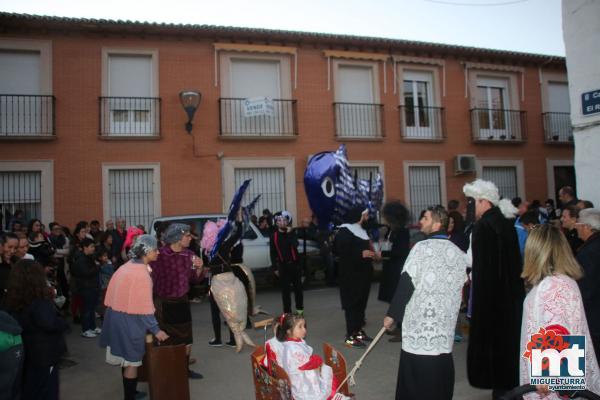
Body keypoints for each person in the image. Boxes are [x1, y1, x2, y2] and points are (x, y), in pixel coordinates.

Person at [383, 206, 469, 400]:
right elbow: (463, 288)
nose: (421, 221)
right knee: (440, 375)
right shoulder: (457, 253)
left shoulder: (421, 248)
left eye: (425, 218)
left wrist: (392, 315)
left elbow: (406, 283)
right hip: (444, 329)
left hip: (420, 328)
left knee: (416, 383)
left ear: (437, 223)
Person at [519, 224, 600, 398]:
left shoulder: (551, 287)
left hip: (552, 386)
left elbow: (558, 333)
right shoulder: (564, 281)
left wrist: (549, 378)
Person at [463, 179, 525, 399]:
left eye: (472, 202)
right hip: (511, 301)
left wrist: (480, 309)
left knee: (496, 359)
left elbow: (484, 273)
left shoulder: (484, 227)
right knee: (509, 354)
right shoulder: (505, 223)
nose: (470, 207)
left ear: (483, 201)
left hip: (492, 304)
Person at [99, 235, 169, 400]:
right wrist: (156, 330)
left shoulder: (127, 266)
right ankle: (130, 397)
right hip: (128, 321)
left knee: (125, 359)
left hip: (115, 316)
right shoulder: (142, 275)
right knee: (132, 362)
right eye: (155, 249)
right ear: (145, 252)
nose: (158, 252)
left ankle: (131, 392)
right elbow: (145, 308)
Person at [4, 259, 69, 400]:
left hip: (25, 352)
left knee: (29, 390)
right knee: (46, 391)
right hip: (44, 355)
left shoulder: (11, 298)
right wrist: (62, 321)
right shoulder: (39, 300)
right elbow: (49, 323)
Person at [150, 223, 204, 378]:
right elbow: (148, 278)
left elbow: (194, 279)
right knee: (165, 340)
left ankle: (184, 370)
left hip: (182, 303)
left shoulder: (189, 255)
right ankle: (165, 372)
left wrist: (199, 267)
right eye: (187, 235)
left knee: (186, 340)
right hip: (163, 304)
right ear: (177, 238)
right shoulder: (159, 255)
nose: (190, 238)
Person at [201, 217, 255, 352]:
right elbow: (238, 234)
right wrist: (238, 221)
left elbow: (206, 267)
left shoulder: (206, 250)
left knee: (215, 310)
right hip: (229, 280)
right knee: (231, 309)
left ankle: (217, 338)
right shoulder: (224, 246)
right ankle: (232, 339)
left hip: (215, 282)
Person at [265, 313, 339, 400]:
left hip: (302, 374)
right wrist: (318, 360)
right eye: (300, 327)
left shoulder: (296, 341)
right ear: (289, 331)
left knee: (323, 371)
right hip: (300, 383)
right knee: (326, 373)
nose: (304, 330)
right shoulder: (292, 348)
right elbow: (308, 363)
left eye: (304, 326)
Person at [334, 206, 379, 348]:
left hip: (363, 274)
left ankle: (358, 331)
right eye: (365, 215)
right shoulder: (345, 230)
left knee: (361, 304)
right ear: (358, 216)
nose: (367, 218)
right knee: (352, 305)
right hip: (350, 276)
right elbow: (339, 252)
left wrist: (371, 254)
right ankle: (350, 336)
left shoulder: (361, 230)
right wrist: (361, 254)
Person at [575, 208, 600, 364]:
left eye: (578, 223)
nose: (576, 227)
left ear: (587, 227)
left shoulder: (588, 252)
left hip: (594, 315)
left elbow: (587, 288)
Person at [377, 201, 410, 306]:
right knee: (392, 300)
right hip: (390, 268)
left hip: (396, 270)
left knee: (397, 300)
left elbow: (400, 251)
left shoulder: (402, 232)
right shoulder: (391, 230)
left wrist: (382, 254)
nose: (384, 219)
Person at [270, 211, 303, 315]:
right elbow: (272, 253)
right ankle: (287, 312)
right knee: (285, 291)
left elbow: (295, 245)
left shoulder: (292, 233)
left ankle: (299, 310)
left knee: (298, 289)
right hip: (283, 267)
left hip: (295, 265)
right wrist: (275, 268)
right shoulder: (274, 236)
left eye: (284, 220)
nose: (282, 222)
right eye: (279, 221)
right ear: (276, 223)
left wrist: (289, 233)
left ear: (288, 222)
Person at [71, 238, 100, 338]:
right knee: (86, 309)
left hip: (92, 286)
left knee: (91, 308)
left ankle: (92, 327)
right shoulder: (81, 259)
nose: (93, 248)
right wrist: (97, 267)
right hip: (85, 287)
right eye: (91, 247)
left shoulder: (89, 257)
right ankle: (86, 329)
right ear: (85, 248)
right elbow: (86, 273)